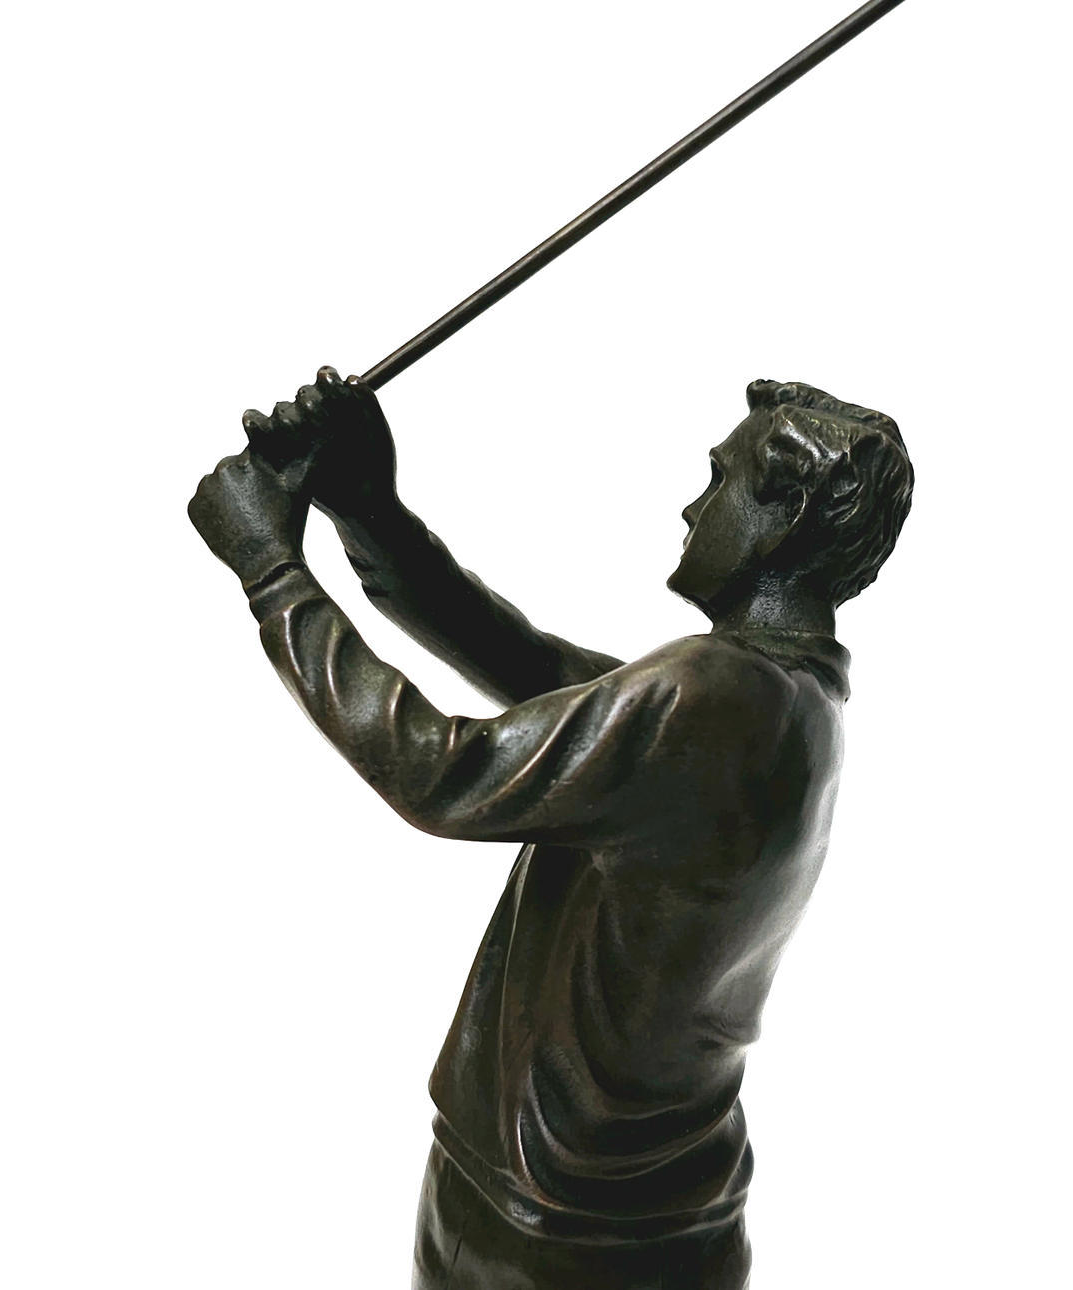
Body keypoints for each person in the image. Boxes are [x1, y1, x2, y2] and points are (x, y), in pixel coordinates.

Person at [189, 369, 913, 1289]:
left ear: (787, 511)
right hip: (627, 1211)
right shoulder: (785, 696)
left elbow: (439, 771)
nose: (693, 509)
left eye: (720, 479)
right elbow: (525, 661)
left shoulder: (712, 694)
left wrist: (270, 571)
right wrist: (370, 511)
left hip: (553, 1231)